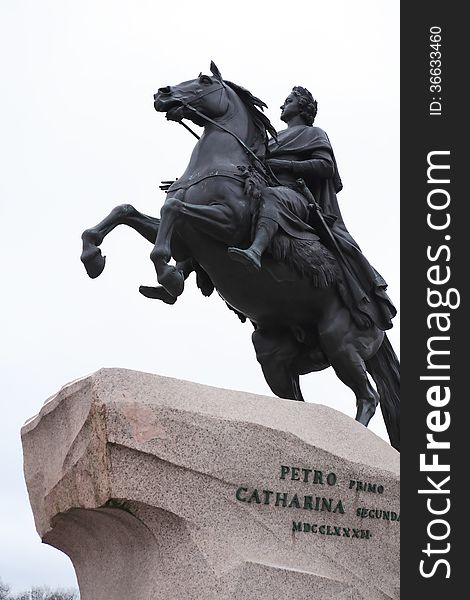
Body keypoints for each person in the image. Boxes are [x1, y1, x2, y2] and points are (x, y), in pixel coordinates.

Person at [228, 86, 396, 331]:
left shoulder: (314, 133)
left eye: (288, 101)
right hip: (262, 189)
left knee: (271, 196)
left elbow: (325, 166)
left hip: (295, 197)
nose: (282, 106)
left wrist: (284, 165)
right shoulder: (268, 140)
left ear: (303, 107)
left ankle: (255, 250)